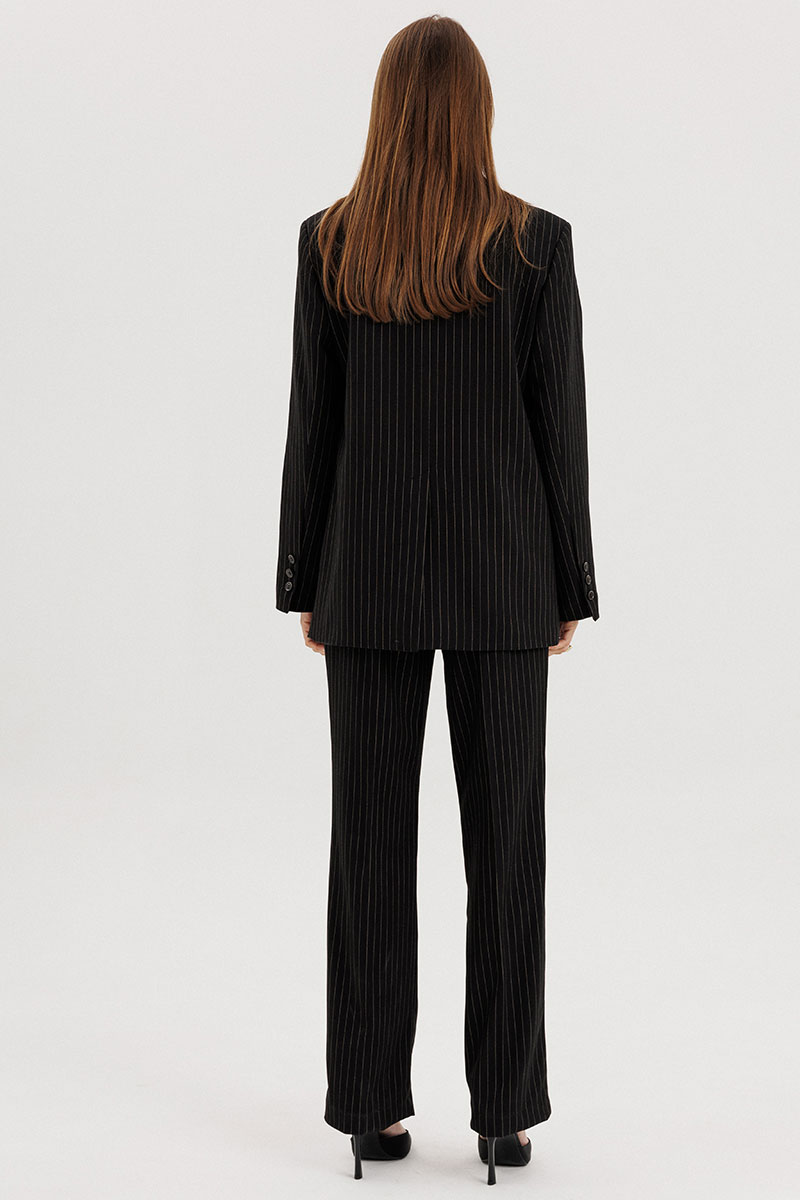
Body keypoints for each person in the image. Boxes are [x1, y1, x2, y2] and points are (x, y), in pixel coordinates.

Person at [275, 14, 599, 1186]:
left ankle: (369, 1109)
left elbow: (312, 428)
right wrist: (569, 585)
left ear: (385, 112)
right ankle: (504, 1115)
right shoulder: (534, 246)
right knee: (505, 851)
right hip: (503, 580)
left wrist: (302, 580)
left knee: (367, 849)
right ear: (477, 111)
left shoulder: (332, 242)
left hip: (364, 580)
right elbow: (558, 430)